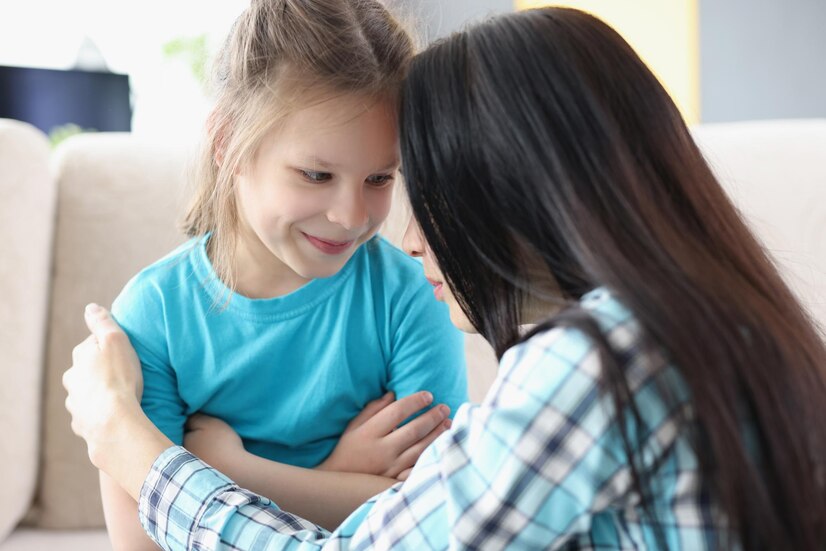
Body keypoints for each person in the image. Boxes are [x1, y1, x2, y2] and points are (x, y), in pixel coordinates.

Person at [64, 6, 826, 550]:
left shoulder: (594, 364)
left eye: (406, 187)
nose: (398, 232)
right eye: (318, 172)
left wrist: (135, 445)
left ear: (511, 190)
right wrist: (328, 479)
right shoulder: (716, 322)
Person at [89, 0, 468, 548]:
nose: (352, 216)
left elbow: (435, 518)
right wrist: (339, 479)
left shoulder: (410, 299)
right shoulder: (155, 316)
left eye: (380, 179)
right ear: (228, 144)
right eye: (316, 174)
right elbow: (145, 541)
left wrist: (230, 470)